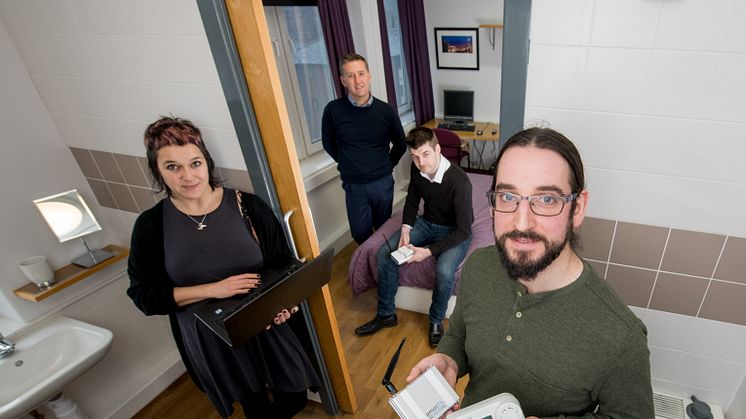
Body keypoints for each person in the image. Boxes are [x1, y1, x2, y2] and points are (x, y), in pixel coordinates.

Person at [406, 127, 654, 418]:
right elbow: (460, 333)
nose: (521, 222)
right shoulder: (479, 266)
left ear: (577, 208)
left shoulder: (622, 337)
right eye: (508, 197)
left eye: (546, 199)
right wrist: (448, 360)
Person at [126, 116, 319, 419]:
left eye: (195, 163)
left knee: (294, 397)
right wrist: (213, 290)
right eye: (172, 167)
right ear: (158, 171)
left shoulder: (248, 206)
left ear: (207, 162)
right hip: (211, 339)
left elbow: (282, 266)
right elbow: (144, 296)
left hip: (264, 325)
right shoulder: (150, 226)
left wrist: (285, 305)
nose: (188, 176)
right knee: (254, 406)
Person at [355, 127, 473, 347]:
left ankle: (436, 321)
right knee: (385, 253)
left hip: (455, 230)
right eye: (415, 157)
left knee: (445, 271)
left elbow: (464, 230)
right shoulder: (417, 168)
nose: (421, 163)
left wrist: (428, 252)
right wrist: (407, 228)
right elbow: (411, 199)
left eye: (426, 154)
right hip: (426, 223)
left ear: (437, 149)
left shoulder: (459, 181)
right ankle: (386, 314)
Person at [321, 53, 407, 244]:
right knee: (359, 233)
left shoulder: (386, 111)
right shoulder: (333, 110)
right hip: (354, 185)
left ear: (369, 76)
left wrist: (386, 165)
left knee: (383, 229)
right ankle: (368, 263)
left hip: (382, 182)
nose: (357, 80)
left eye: (361, 74)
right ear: (343, 80)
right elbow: (328, 144)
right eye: (351, 76)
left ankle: (380, 268)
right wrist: (349, 163)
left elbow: (401, 144)